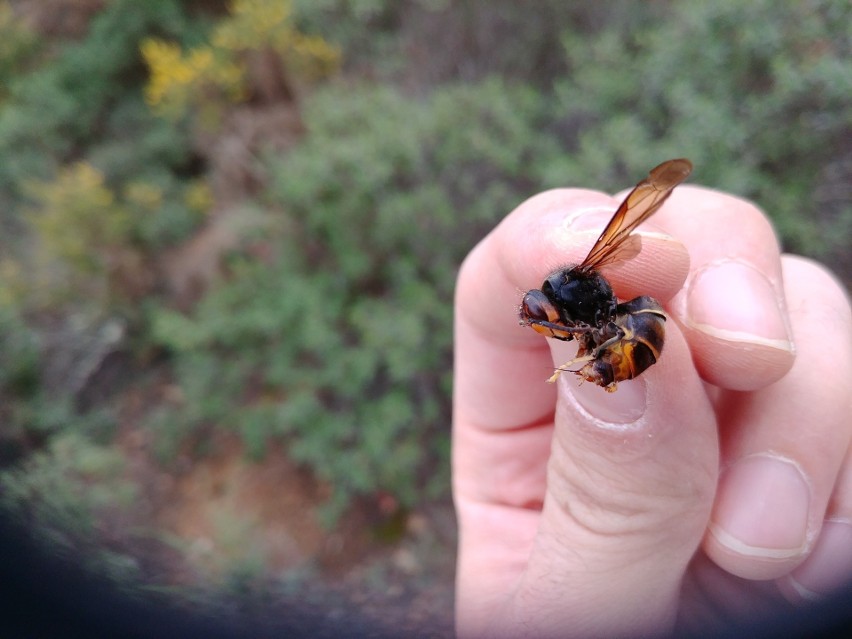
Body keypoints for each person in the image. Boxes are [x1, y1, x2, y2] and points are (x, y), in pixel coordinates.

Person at [452, 181, 852, 638]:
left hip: (638, 328)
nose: (543, 325)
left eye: (542, 315)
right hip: (627, 329)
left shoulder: (582, 287)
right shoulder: (574, 311)